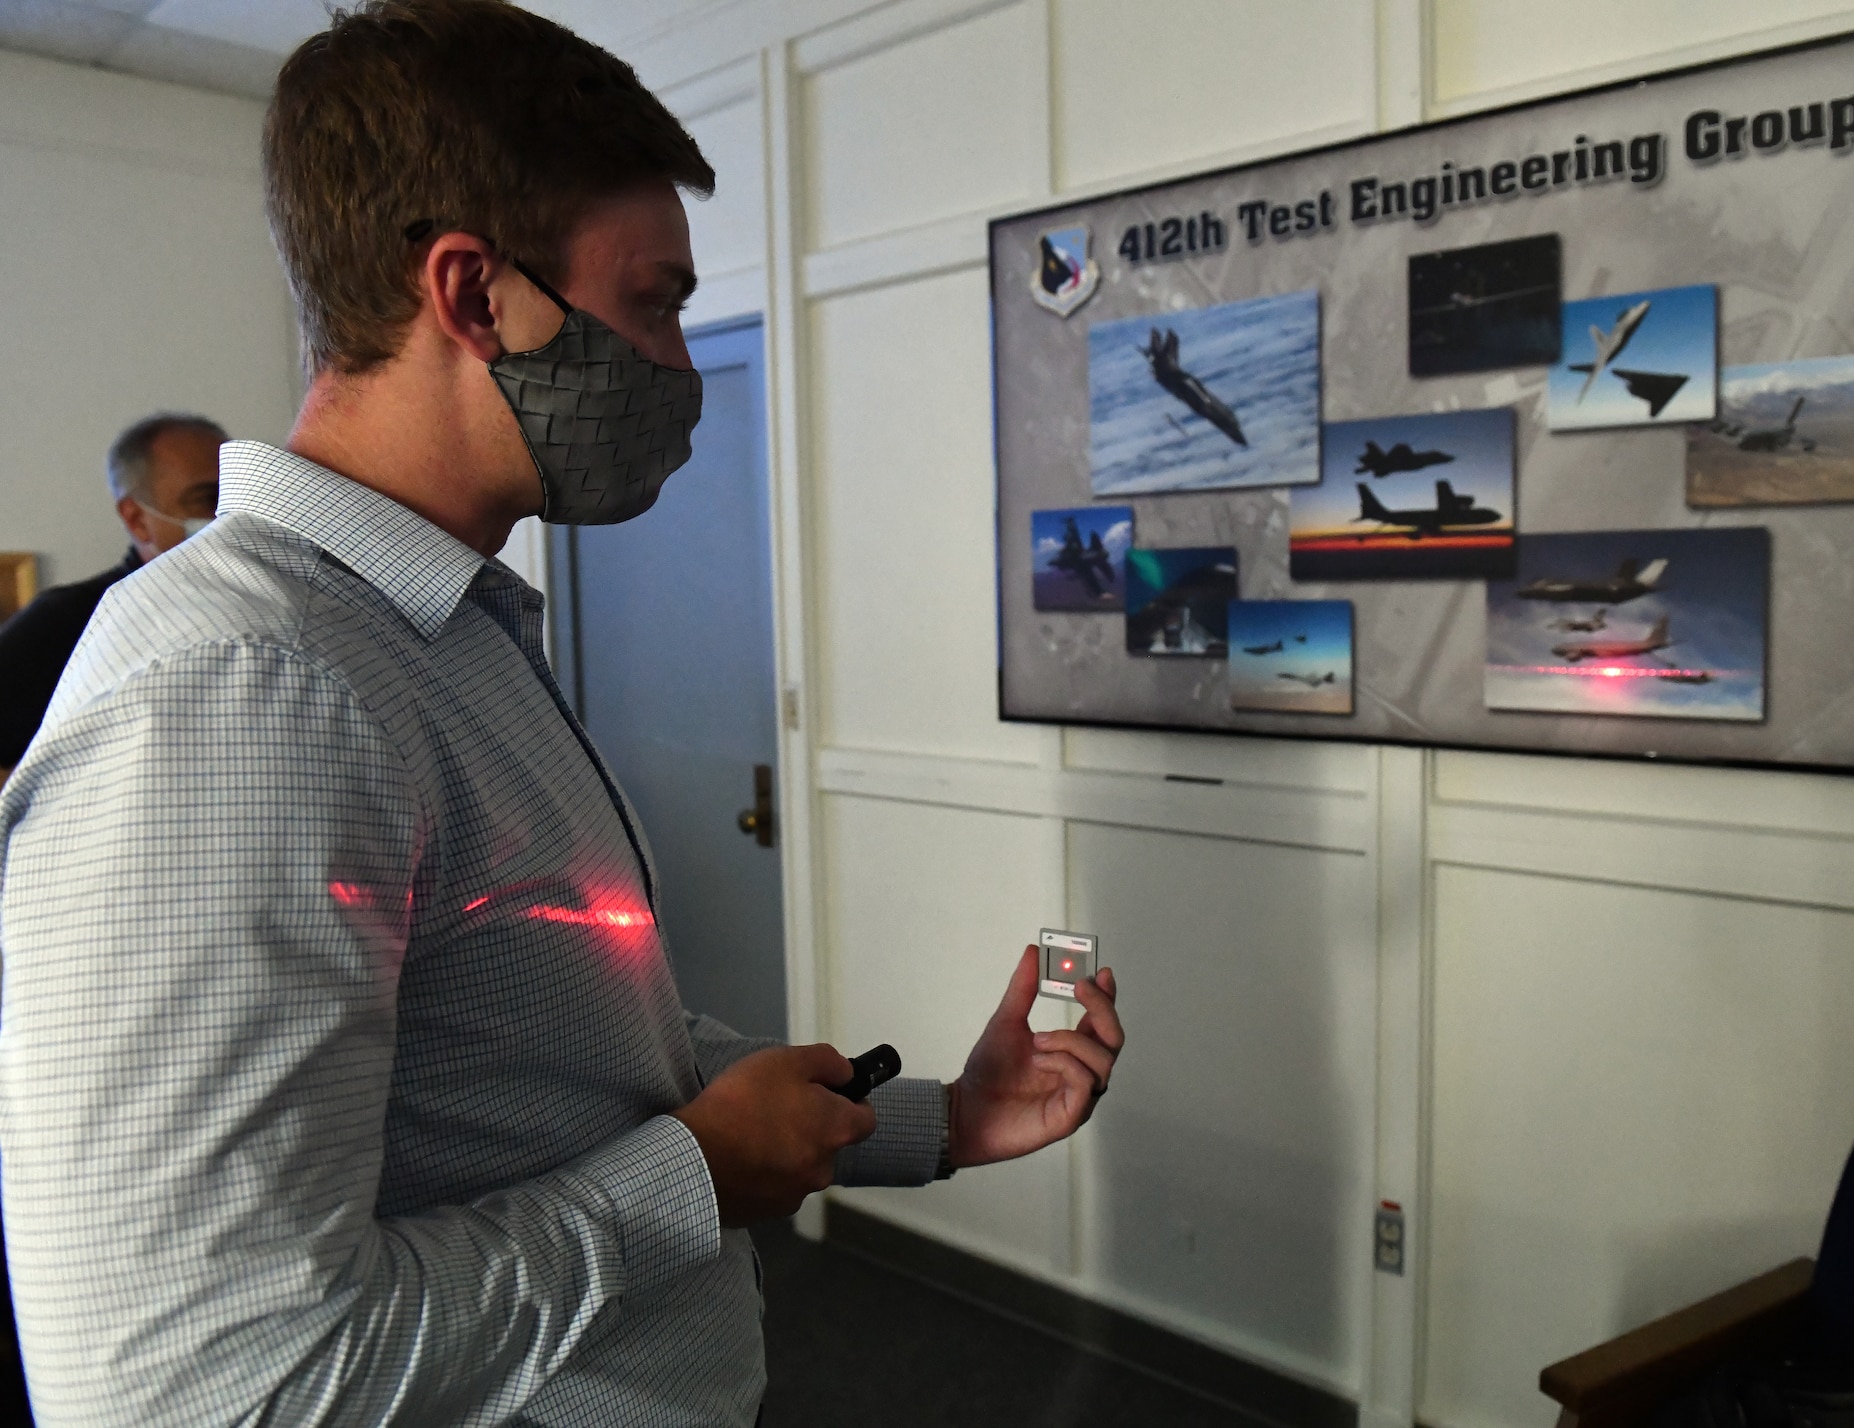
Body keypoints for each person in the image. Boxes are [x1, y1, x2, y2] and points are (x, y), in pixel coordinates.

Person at [0, 4, 1123, 1426]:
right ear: (475, 294)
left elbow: (548, 1059)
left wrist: (939, 1122)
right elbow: (200, 1387)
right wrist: (690, 1184)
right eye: (651, 304)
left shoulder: (435, 633)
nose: (677, 368)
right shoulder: (248, 689)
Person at [0, 413, 224, 772]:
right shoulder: (69, 621)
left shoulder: (266, 603)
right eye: (207, 498)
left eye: (236, 494)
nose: (228, 514)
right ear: (137, 519)